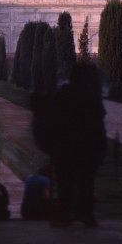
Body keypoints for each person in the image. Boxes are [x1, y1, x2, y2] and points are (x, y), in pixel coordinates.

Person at [47, 54, 107, 227]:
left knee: (66, 183)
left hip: (66, 147)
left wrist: (53, 144)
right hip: (87, 147)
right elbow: (99, 119)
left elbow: (54, 119)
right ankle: (87, 215)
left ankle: (66, 215)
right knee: (86, 183)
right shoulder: (91, 95)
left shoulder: (64, 93)